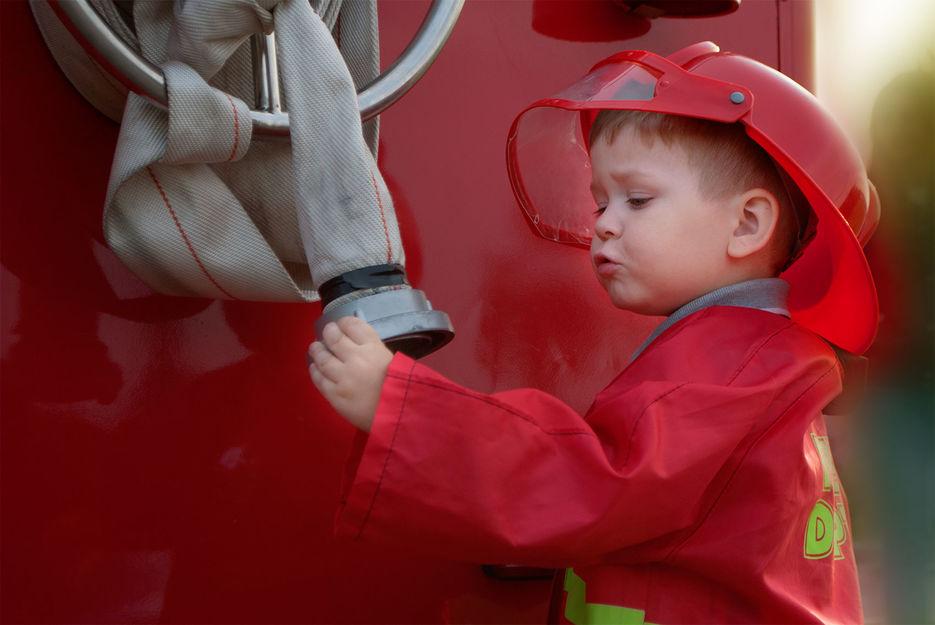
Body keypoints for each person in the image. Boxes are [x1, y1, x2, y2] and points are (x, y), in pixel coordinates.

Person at [307, 42, 879, 624]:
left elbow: (592, 483)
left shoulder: (730, 371)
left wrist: (401, 409)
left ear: (748, 224)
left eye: (637, 199)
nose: (603, 223)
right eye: (600, 201)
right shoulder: (754, 354)